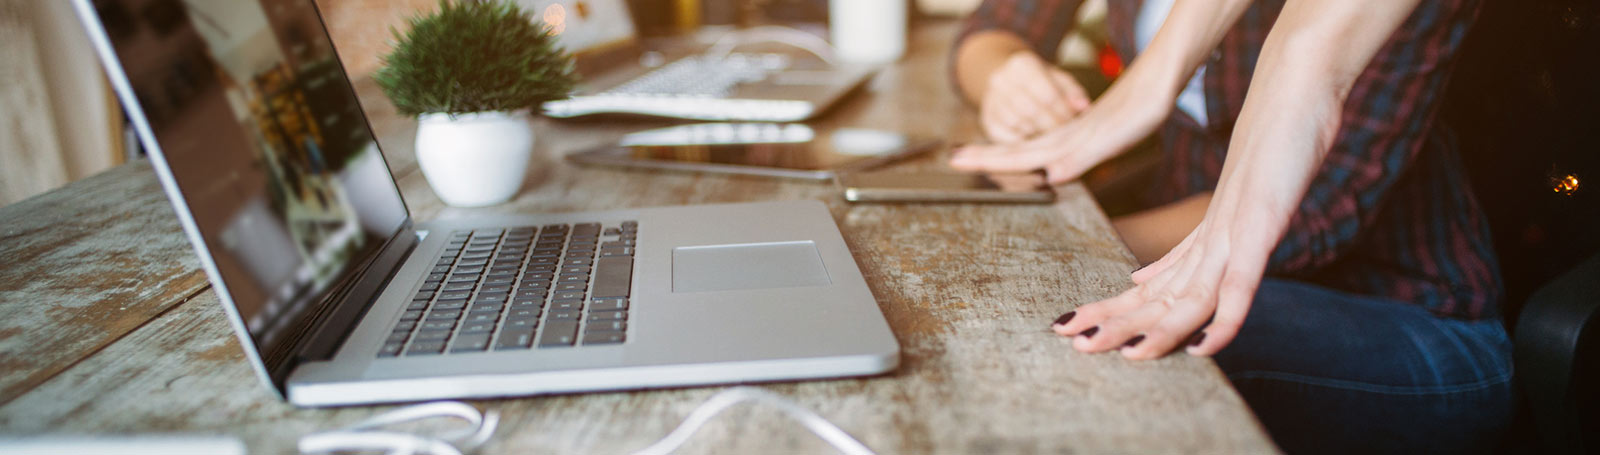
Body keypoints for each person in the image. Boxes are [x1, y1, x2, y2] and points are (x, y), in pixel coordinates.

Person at [950, 0, 1513, 452]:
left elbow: (1316, 208)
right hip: (1216, 266)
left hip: (1409, 314)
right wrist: (1137, 90)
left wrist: (1062, 244)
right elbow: (998, 24)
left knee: (1076, 349)